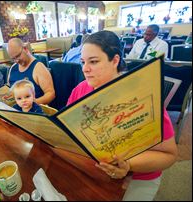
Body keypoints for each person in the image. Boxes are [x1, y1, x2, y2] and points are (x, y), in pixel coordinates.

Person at [67, 30, 178, 201]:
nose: (85, 69)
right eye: (83, 62)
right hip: (94, 167)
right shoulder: (81, 89)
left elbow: (169, 155)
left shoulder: (141, 96)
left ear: (115, 60)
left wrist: (128, 165)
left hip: (139, 175)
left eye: (94, 62)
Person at [7, 38, 55, 105]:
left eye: (18, 56)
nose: (16, 61)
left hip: (34, 109)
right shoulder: (13, 68)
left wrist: (31, 103)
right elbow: (9, 89)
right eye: (13, 59)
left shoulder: (39, 67)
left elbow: (51, 94)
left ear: (25, 49)